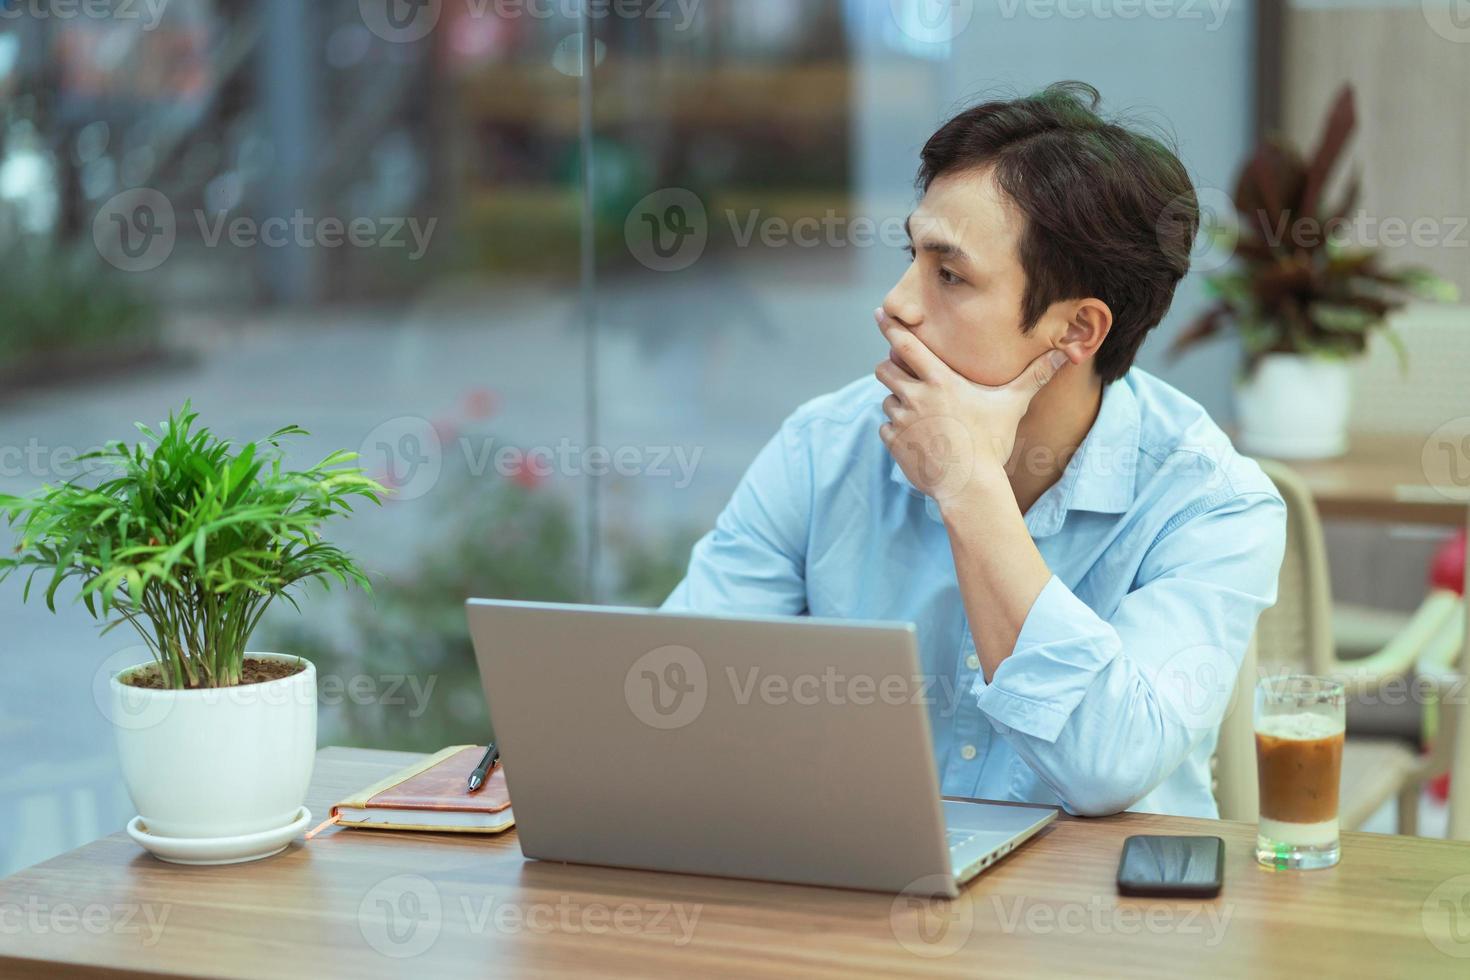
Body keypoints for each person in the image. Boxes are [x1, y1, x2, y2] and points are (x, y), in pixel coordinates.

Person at [662, 80, 1286, 819]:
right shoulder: (823, 448)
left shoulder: (1210, 504)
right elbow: (678, 701)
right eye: (912, 256)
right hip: (856, 897)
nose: (897, 304)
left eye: (949, 274)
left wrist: (967, 487)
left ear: (1077, 332)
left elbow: (1106, 768)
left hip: (1101, 921)